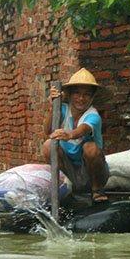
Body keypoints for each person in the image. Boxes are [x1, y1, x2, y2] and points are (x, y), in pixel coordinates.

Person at [41, 68, 110, 203]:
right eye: (77, 93)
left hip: (92, 174)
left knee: (90, 148)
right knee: (48, 145)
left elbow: (82, 129)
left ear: (92, 97)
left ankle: (97, 190)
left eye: (86, 95)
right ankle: (66, 188)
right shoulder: (62, 109)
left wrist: (70, 134)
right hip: (69, 171)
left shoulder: (93, 115)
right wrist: (53, 106)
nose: (81, 98)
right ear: (70, 94)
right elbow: (48, 130)